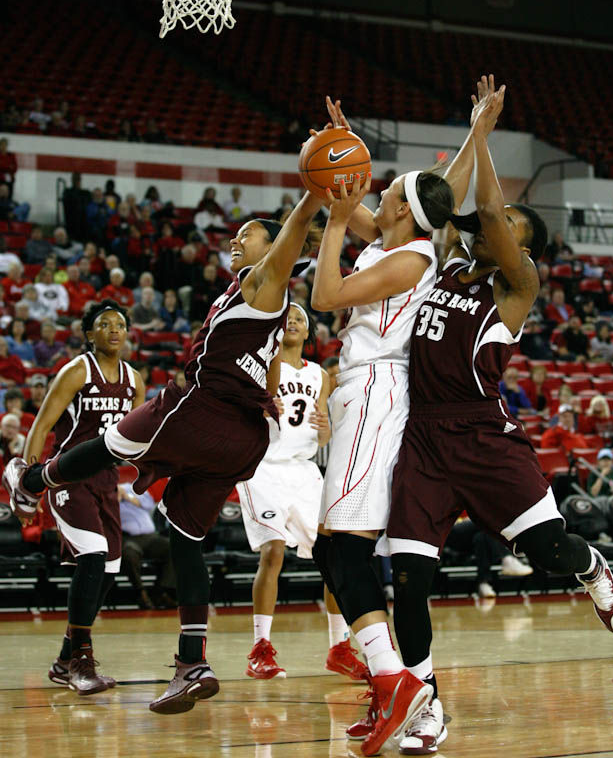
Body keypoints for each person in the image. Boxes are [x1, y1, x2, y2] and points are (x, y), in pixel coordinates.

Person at [367, 76, 613, 756]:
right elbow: (450, 204)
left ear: (524, 247)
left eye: (508, 225)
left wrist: (483, 138)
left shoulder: (519, 284)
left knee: (546, 553)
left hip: (483, 434)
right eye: (495, 221)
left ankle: (590, 566)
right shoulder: (447, 267)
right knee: (409, 580)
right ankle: (426, 708)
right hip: (422, 436)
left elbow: (483, 208)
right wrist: (473, 132)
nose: (491, 225)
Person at [4, 190, 324, 715]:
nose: (235, 240)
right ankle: (192, 660)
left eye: (249, 235)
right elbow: (267, 380)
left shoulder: (262, 284)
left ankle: (32, 481)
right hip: (245, 437)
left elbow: (290, 238)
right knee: (184, 537)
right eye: (236, 234)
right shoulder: (272, 307)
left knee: (106, 446)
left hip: (201, 410)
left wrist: (313, 190)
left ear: (273, 248)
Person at [308, 97, 457, 753]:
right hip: (360, 395)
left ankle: (399, 683)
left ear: (404, 210)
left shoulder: (413, 258)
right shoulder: (391, 242)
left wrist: (337, 222)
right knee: (334, 550)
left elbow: (325, 298)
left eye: (389, 190)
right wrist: (334, 152)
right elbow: (345, 199)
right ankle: (395, 686)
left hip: (376, 394)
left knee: (343, 548)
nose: (381, 190)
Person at [18, 301, 144, 694]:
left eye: (120, 324)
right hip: (68, 477)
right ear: (89, 333)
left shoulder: (134, 380)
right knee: (91, 559)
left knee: (107, 574)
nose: (113, 330)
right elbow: (41, 426)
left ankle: (63, 660)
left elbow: (136, 441)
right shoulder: (76, 371)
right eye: (104, 324)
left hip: (105, 482)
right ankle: (81, 661)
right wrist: (28, 487)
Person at [237, 303, 367, 682]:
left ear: (309, 333)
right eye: (286, 318)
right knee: (274, 550)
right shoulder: (261, 368)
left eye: (299, 319)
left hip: (304, 469)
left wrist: (325, 427)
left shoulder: (320, 376)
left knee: (334, 557)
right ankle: (260, 649)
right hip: (262, 468)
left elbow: (322, 435)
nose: (292, 322)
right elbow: (241, 414)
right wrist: (258, 408)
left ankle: (339, 648)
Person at [118, 481, 176, 610]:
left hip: (150, 536)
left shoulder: (132, 488)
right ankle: (141, 593)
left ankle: (161, 591)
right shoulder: (105, 494)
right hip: (127, 538)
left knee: (173, 548)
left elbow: (149, 505)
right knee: (129, 554)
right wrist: (114, 499)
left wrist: (127, 497)